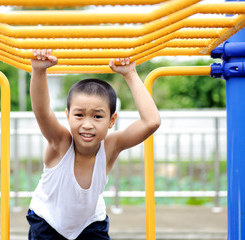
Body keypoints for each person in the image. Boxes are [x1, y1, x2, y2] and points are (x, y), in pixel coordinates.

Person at [27, 49, 161, 240]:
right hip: (48, 221)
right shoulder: (61, 142)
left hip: (90, 223)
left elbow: (151, 122)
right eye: (79, 115)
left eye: (97, 116)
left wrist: (130, 73)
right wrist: (39, 71)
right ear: (68, 116)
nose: (87, 125)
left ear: (111, 120)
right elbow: (41, 112)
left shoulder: (110, 147)